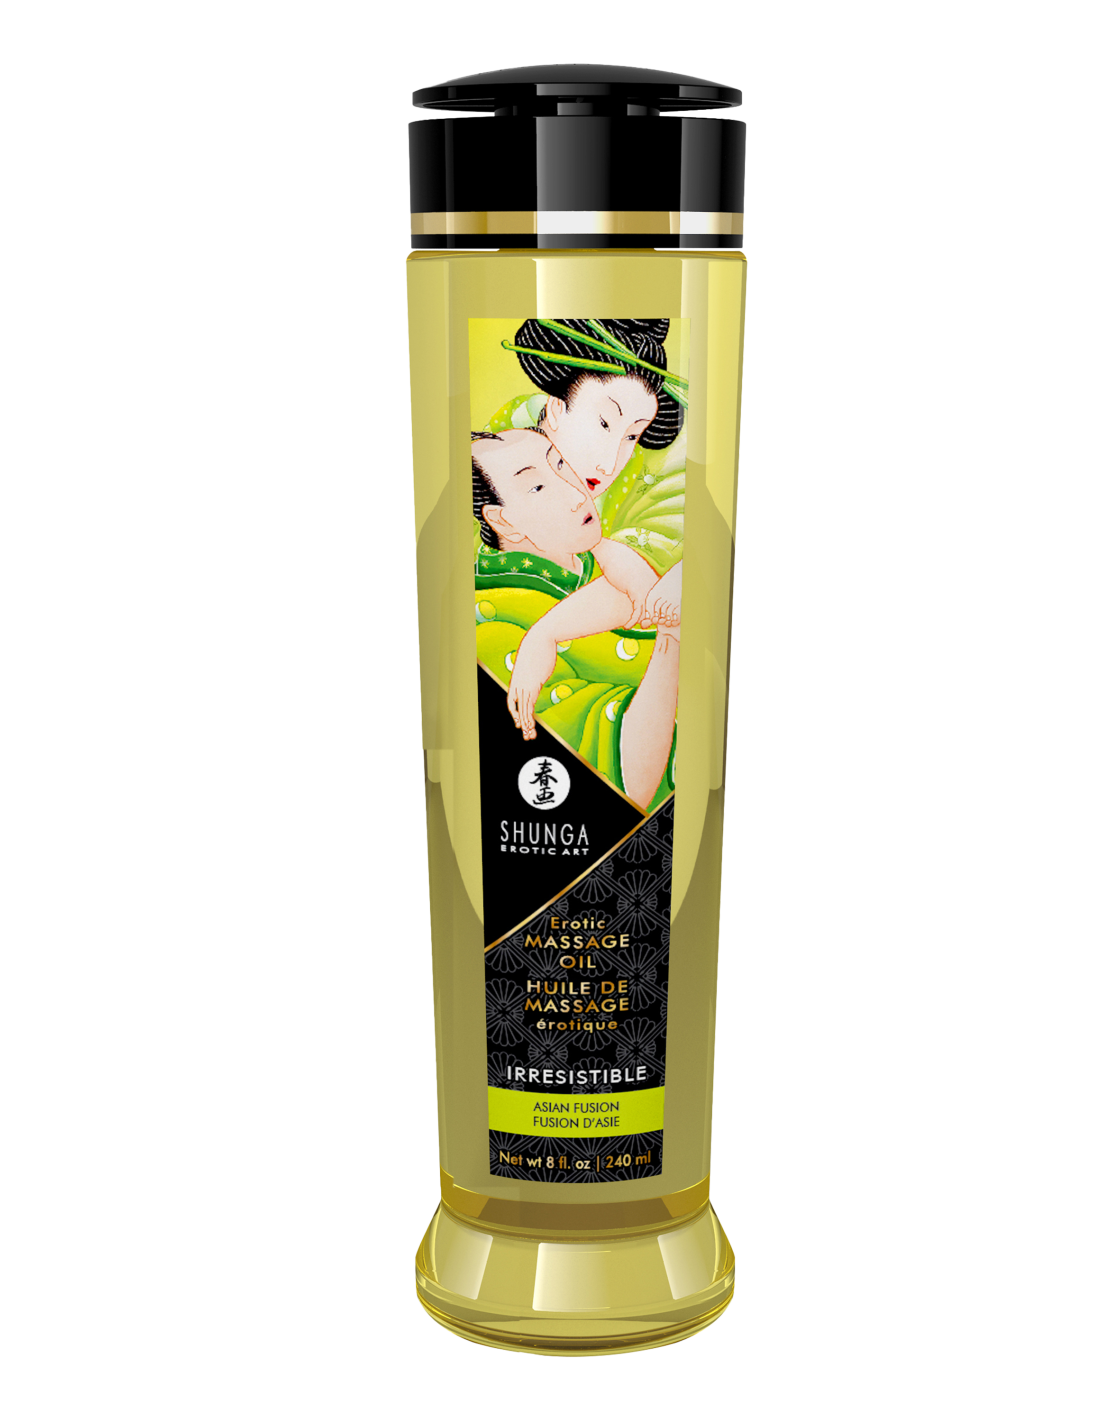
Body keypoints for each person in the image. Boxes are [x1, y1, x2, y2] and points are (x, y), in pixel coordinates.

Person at [473, 428, 682, 811]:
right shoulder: (492, 621)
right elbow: (630, 784)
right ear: (502, 521)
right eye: (537, 487)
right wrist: (672, 635)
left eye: (560, 465)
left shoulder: (604, 560)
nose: (575, 494)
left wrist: (547, 631)